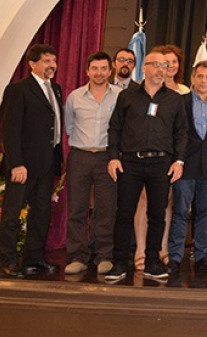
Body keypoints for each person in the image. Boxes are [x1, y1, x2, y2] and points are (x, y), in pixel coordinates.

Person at [105, 51, 188, 282]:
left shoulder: (174, 99)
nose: (162, 69)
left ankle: (152, 261)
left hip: (162, 163)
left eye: (165, 65)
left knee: (157, 215)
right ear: (144, 68)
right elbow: (115, 128)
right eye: (156, 65)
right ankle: (119, 263)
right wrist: (113, 157)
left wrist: (179, 161)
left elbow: (182, 133)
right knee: (124, 214)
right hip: (130, 162)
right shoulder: (127, 96)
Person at [0, 44, 64, 277]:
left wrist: (58, 162)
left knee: (41, 214)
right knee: (12, 214)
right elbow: (10, 129)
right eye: (46, 61)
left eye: (53, 60)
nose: (52, 65)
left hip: (46, 165)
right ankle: (8, 260)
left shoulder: (55, 89)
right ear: (32, 64)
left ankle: (34, 258)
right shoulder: (18, 90)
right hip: (23, 166)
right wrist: (16, 163)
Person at [167, 61, 207, 273]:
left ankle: (202, 255)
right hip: (185, 164)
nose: (203, 81)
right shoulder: (179, 102)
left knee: (205, 212)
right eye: (200, 76)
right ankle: (175, 257)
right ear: (192, 78)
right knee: (181, 212)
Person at [63, 51, 121, 276]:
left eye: (103, 68)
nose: (99, 73)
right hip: (80, 156)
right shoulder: (75, 97)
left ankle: (104, 255)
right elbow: (69, 127)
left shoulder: (119, 96)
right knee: (77, 208)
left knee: (105, 209)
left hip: (107, 158)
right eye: (94, 68)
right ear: (87, 71)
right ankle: (77, 256)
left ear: (110, 71)